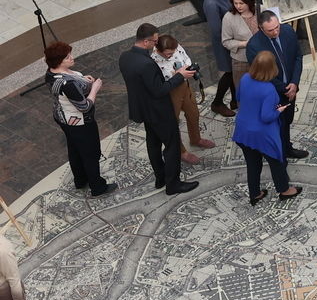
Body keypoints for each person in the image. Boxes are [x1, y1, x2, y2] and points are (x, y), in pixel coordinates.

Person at [120, 22, 198, 195]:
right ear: (146, 42)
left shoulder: (125, 57)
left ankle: (160, 177)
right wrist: (179, 76)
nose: (156, 44)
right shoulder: (146, 63)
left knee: (153, 144)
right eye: (155, 42)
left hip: (142, 109)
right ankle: (173, 185)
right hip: (159, 111)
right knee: (172, 146)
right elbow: (159, 90)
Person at [45, 41, 117, 197]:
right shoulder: (67, 84)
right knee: (90, 153)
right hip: (80, 122)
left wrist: (83, 80)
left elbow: (69, 86)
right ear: (59, 61)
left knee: (75, 149)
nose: (72, 58)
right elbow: (84, 106)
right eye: (67, 57)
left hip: (63, 118)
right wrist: (95, 89)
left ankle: (80, 179)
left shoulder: (51, 74)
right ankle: (97, 187)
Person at [232, 50, 301, 204]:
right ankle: (285, 190)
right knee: (276, 161)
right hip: (263, 134)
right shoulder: (269, 89)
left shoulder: (244, 78)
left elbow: (239, 97)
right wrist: (278, 110)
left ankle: (255, 193)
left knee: (253, 163)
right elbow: (266, 117)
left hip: (243, 131)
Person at [247, 11, 309, 160]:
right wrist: (283, 88)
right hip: (272, 94)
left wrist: (294, 83)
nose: (275, 32)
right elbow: (261, 75)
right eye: (270, 30)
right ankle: (277, 155)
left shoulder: (287, 31)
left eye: (277, 27)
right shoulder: (254, 46)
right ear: (261, 28)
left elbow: (297, 57)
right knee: (275, 125)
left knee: (287, 121)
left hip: (291, 89)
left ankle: (287, 148)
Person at [151, 35, 216, 165]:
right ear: (159, 50)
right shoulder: (153, 61)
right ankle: (181, 152)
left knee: (193, 114)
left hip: (185, 86)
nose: (171, 55)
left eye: (172, 53)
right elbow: (159, 83)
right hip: (170, 92)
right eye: (168, 54)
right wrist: (175, 75)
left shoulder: (176, 48)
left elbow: (186, 59)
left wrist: (186, 69)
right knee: (173, 123)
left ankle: (196, 139)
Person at [201, 0, 237, 116]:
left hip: (231, 37)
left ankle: (235, 100)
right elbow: (217, 31)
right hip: (224, 42)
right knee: (229, 72)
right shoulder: (210, 3)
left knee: (234, 69)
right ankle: (217, 102)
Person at [221, 0, 260, 85]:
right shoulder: (229, 18)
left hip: (261, 58)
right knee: (243, 92)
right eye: (235, 3)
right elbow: (226, 42)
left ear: (249, 1)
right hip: (241, 62)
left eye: (241, 3)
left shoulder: (260, 10)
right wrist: (244, 44)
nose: (238, 6)